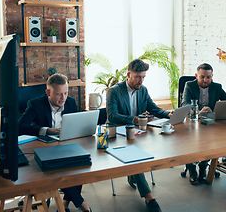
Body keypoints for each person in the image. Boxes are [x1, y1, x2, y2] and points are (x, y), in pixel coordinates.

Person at [18, 74, 91, 212]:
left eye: (65, 93)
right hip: (45, 150)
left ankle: (64, 203)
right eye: (58, 94)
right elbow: (20, 126)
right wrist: (47, 130)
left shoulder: (70, 102)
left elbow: (75, 123)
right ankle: (83, 205)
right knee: (60, 172)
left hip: (67, 146)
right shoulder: (35, 104)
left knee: (81, 163)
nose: (63, 98)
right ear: (48, 92)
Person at [106, 59, 171, 212]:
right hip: (118, 135)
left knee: (152, 146)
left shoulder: (143, 90)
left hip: (138, 134)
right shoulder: (114, 91)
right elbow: (112, 116)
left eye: (143, 77)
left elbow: (153, 108)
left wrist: (168, 113)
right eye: (137, 77)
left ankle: (133, 175)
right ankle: (149, 198)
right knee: (133, 157)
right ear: (128, 74)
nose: (141, 80)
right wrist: (134, 119)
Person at [181, 63, 226, 185]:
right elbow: (185, 105)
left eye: (208, 77)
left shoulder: (217, 87)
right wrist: (198, 112)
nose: (205, 80)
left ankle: (203, 167)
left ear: (212, 76)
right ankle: (192, 169)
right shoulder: (189, 85)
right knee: (190, 141)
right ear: (196, 76)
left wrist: (216, 111)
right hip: (192, 122)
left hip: (209, 122)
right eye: (202, 77)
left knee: (211, 139)